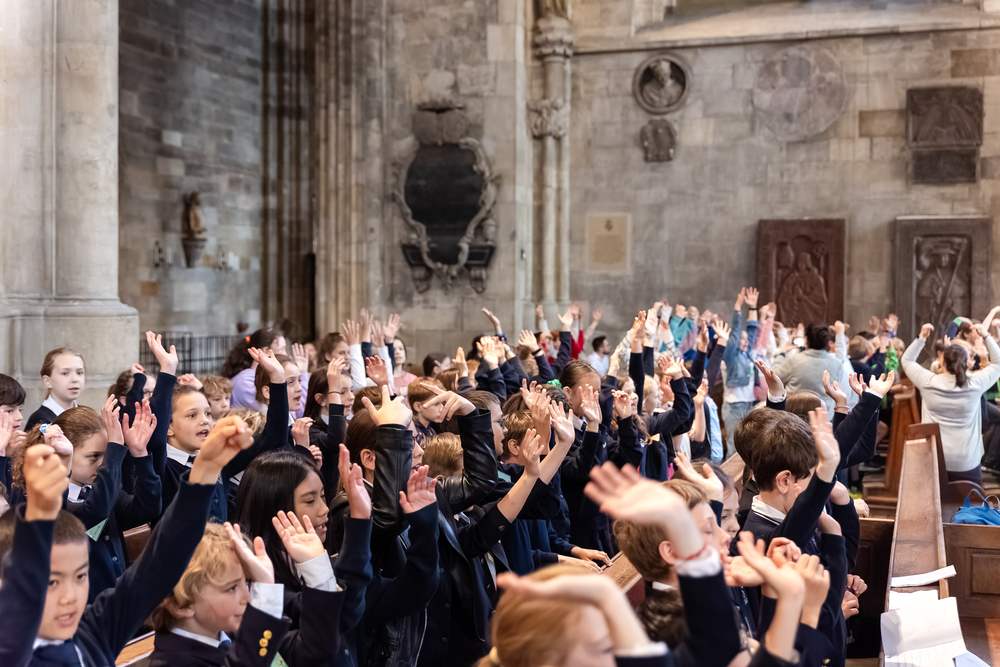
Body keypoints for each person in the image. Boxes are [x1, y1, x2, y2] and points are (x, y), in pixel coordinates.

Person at [0, 417, 254, 667]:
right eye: (52, 581)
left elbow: (161, 561)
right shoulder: (12, 652)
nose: (70, 597)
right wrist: (41, 517)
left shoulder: (93, 634)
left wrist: (205, 470)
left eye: (80, 576)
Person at [902, 321, 1000, 484]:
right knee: (970, 504)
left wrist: (921, 338)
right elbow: (997, 363)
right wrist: (986, 336)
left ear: (943, 363)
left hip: (935, 458)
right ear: (965, 362)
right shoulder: (975, 384)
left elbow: (907, 361)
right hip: (967, 460)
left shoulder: (928, 381)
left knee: (936, 504)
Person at [721, 289, 761, 451]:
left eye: (746, 339)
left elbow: (753, 331)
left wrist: (753, 308)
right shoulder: (730, 356)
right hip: (734, 405)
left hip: (748, 403)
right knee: (734, 446)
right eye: (741, 339)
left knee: (748, 446)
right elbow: (736, 333)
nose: (745, 341)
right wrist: (738, 308)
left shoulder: (746, 354)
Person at [25, 347, 86, 430]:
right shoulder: (40, 421)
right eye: (65, 373)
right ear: (47, 381)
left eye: (79, 372)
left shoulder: (87, 416)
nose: (75, 379)